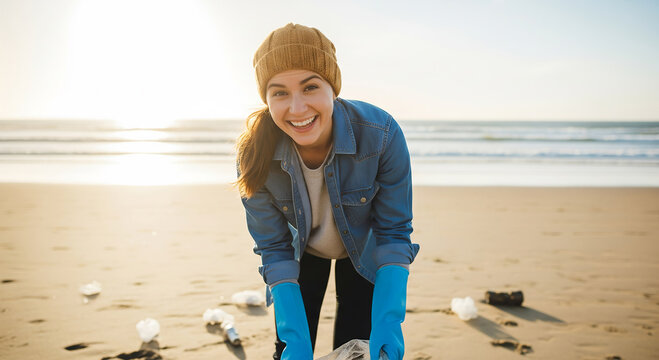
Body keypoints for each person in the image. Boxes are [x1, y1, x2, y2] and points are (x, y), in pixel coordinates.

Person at [236, 23, 420, 360]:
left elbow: (394, 232)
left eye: (310, 87)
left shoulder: (381, 134)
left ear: (332, 87)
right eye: (279, 92)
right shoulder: (254, 155)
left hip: (363, 253)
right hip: (298, 254)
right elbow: (273, 248)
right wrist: (294, 340)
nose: (297, 107)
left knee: (356, 346)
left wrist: (389, 321)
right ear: (266, 98)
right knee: (291, 350)